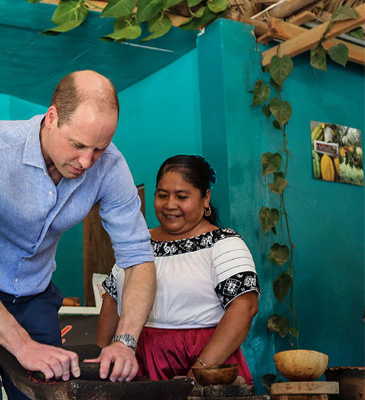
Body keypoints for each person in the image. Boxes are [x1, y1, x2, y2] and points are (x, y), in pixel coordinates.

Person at [0, 70, 157, 399]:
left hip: (35, 298)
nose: (86, 161)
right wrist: (23, 345)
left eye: (98, 149)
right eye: (78, 145)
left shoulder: (109, 165)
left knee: (48, 395)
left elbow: (139, 259)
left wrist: (125, 342)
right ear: (52, 117)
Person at [96, 155, 260, 385]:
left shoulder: (223, 243)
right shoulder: (139, 243)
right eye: (162, 195)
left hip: (207, 363)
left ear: (206, 198)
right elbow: (112, 298)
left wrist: (199, 372)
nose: (170, 205)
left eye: (182, 196)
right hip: (139, 363)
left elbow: (245, 307)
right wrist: (101, 356)